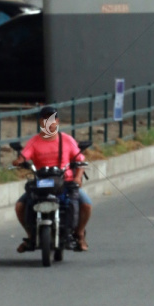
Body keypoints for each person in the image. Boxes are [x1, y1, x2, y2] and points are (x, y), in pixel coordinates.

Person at [13, 106, 92, 252]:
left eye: (52, 119)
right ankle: (30, 236)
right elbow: (24, 156)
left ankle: (79, 234)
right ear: (40, 122)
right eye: (45, 119)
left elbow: (80, 160)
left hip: (66, 182)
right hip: (41, 183)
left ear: (57, 121)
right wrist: (18, 161)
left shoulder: (67, 140)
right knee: (20, 206)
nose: (49, 122)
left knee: (86, 205)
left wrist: (78, 177)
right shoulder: (34, 141)